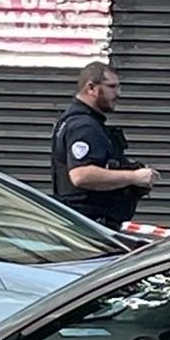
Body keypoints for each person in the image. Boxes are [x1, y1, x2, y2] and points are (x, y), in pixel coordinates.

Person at [51, 61, 157, 229]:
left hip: (87, 225)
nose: (118, 93)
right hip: (88, 227)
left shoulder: (84, 122)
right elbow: (81, 175)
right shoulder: (83, 126)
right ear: (91, 88)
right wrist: (134, 177)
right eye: (112, 87)